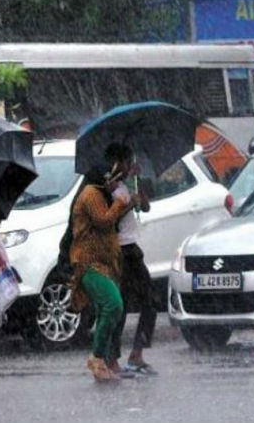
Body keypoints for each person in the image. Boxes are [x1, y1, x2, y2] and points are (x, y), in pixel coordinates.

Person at [68, 164, 132, 383]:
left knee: (111, 308)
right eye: (113, 178)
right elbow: (104, 221)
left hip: (104, 262)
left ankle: (102, 360)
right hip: (89, 263)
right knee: (113, 304)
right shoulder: (91, 194)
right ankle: (97, 358)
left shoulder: (99, 194)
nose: (116, 182)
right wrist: (119, 203)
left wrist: (127, 202)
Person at [105, 143, 157, 376]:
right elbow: (108, 221)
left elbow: (145, 207)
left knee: (150, 301)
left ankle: (137, 353)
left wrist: (141, 190)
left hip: (132, 250)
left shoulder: (126, 185)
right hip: (118, 252)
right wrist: (128, 205)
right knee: (120, 305)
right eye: (126, 162)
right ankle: (111, 359)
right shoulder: (106, 188)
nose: (128, 166)